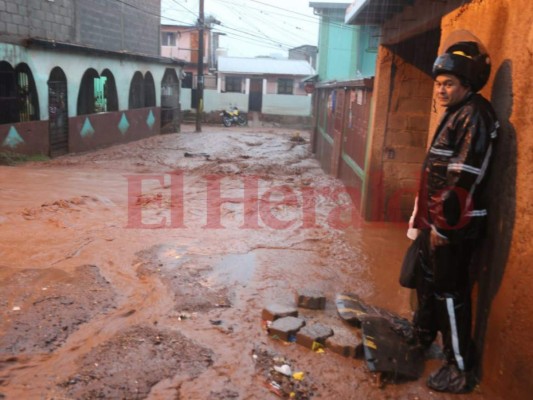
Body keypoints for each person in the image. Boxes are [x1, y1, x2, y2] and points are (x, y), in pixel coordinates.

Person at [408, 40, 499, 393]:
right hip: (438, 220)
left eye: (449, 84)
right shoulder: (459, 111)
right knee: (430, 282)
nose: (443, 90)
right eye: (439, 84)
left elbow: (462, 178)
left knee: (450, 293)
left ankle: (460, 367)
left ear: (466, 85)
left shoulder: (474, 115)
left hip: (454, 225)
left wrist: (444, 227)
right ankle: (422, 336)